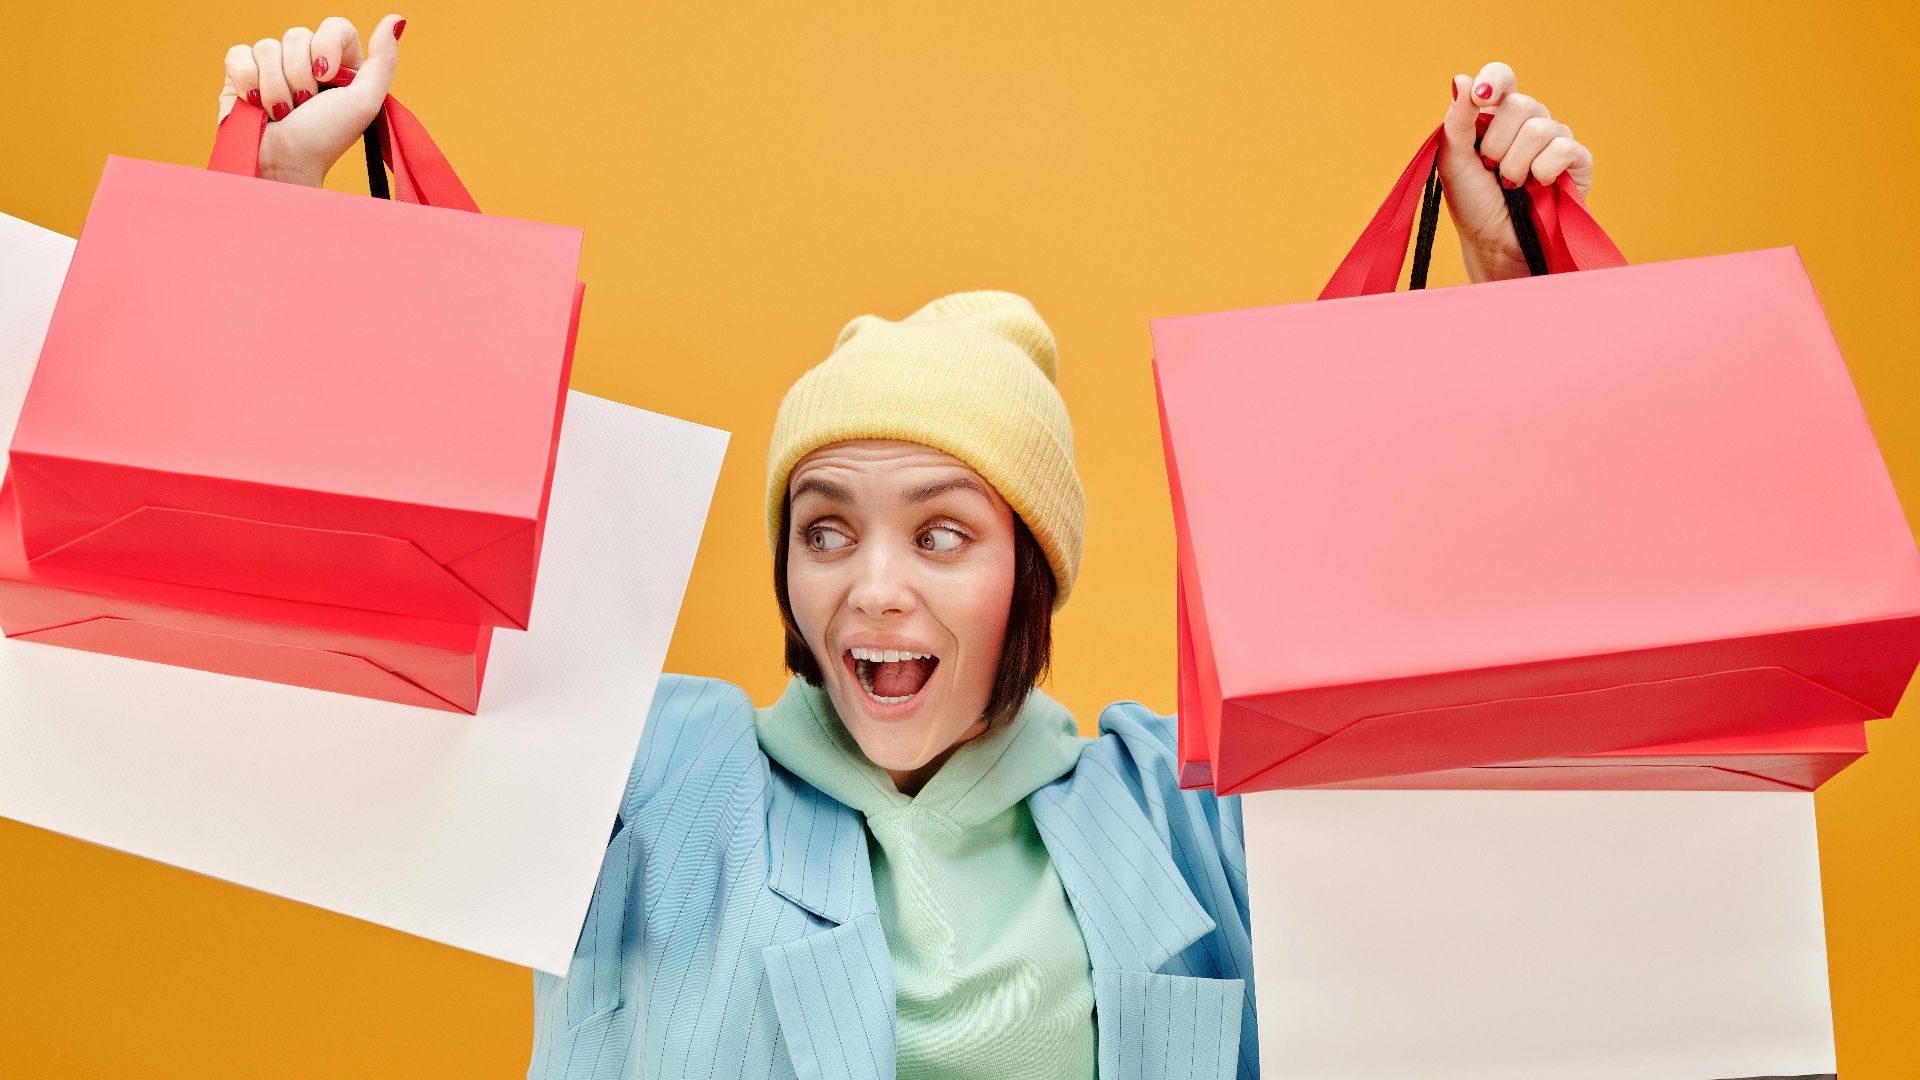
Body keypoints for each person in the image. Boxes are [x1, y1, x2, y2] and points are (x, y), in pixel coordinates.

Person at [219, 17, 1598, 1079]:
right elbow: (351, 626)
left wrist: (1509, 314)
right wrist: (282, 213)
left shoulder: (1187, 818)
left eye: (944, 532)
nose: (874, 587)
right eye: (827, 530)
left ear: (1029, 574)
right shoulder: (650, 785)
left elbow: (1501, 737)